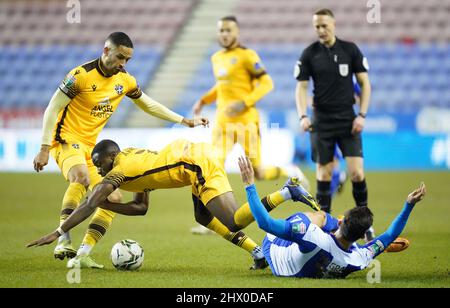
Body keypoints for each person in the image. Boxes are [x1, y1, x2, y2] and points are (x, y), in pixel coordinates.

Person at [32, 32, 208, 268]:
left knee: (112, 197)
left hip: (90, 147)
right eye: (120, 57)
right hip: (66, 140)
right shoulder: (80, 76)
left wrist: (184, 120)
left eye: (127, 60)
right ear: (106, 51)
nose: (123, 64)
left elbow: (148, 104)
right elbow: (52, 109)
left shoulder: (124, 80)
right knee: (81, 177)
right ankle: (64, 239)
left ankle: (82, 254)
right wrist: (44, 149)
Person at [28, 139, 320, 269]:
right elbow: (141, 208)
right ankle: (257, 252)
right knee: (203, 217)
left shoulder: (120, 170)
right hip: (190, 159)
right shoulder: (129, 162)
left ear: (111, 155)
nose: (98, 169)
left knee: (233, 220)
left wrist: (60, 230)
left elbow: (90, 203)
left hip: (195, 163)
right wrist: (111, 205)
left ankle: (285, 192)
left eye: (99, 163)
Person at [191, 15, 309, 235]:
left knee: (259, 172)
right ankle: (209, 219)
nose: (224, 34)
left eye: (228, 30)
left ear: (237, 33)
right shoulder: (216, 57)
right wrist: (204, 100)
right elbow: (222, 87)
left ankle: (289, 170)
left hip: (247, 124)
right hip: (223, 125)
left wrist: (245, 102)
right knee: (212, 167)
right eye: (221, 30)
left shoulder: (247, 56)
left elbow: (267, 82)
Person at [238, 155, 425, 279]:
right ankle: (330, 221)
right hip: (313, 260)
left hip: (276, 252)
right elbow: (390, 234)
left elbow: (265, 223)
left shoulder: (310, 234)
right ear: (360, 236)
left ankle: (289, 192)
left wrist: (249, 185)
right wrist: (409, 204)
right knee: (323, 224)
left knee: (315, 218)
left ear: (342, 220)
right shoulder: (360, 259)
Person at [294, 9, 374, 240]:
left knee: (357, 172)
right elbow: (300, 88)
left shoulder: (350, 50)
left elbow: (365, 84)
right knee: (324, 172)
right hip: (321, 121)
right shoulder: (309, 54)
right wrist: (303, 116)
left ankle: (366, 224)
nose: (320, 30)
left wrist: (362, 115)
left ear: (334, 24)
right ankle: (324, 226)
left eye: (324, 25)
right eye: (316, 26)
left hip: (348, 120)